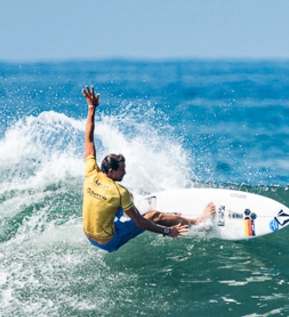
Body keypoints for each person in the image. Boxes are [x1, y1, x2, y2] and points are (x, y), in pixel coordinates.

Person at [81, 86, 213, 252]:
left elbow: (89, 139)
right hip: (108, 241)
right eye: (122, 170)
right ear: (110, 172)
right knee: (153, 215)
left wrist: (91, 108)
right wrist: (168, 231)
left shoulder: (91, 171)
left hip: (88, 234)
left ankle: (128, 211)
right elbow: (141, 223)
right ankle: (197, 222)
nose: (125, 172)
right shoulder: (118, 191)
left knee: (128, 197)